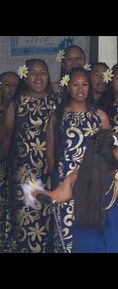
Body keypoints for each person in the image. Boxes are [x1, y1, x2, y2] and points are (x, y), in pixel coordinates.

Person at [47, 66, 110, 252]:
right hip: (65, 184)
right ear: (68, 87)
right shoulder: (57, 117)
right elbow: (51, 155)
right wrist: (58, 183)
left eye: (84, 84)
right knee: (66, 233)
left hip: (93, 184)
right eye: (75, 84)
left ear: (90, 87)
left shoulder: (100, 117)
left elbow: (108, 154)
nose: (80, 89)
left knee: (91, 233)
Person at [1, 59, 57, 252]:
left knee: (46, 216)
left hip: (48, 170)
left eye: (43, 72)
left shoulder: (56, 101)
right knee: (24, 217)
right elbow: (6, 138)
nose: (39, 77)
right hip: (22, 174)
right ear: (26, 75)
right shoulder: (17, 103)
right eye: (33, 72)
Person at [0, 71, 20, 251]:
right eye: (7, 84)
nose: (12, 88)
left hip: (14, 167)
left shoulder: (20, 107)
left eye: (15, 84)